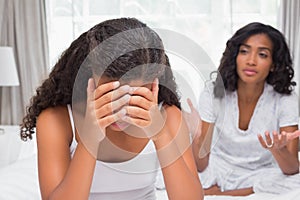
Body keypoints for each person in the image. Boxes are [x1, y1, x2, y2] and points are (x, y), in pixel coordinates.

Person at [20, 18, 203, 200]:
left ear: (154, 85)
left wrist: (160, 136)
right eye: (112, 95)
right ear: (92, 76)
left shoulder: (168, 117)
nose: (121, 113)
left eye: (135, 98)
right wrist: (90, 140)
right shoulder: (57, 120)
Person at [186, 22, 300, 196]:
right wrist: (196, 134)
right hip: (219, 167)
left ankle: (216, 194)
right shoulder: (214, 92)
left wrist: (277, 149)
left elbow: (291, 169)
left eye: (262, 54)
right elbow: (201, 165)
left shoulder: (285, 98)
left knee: (295, 183)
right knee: (174, 171)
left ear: (274, 64)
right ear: (235, 56)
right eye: (244, 51)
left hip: (261, 173)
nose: (251, 61)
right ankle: (230, 191)